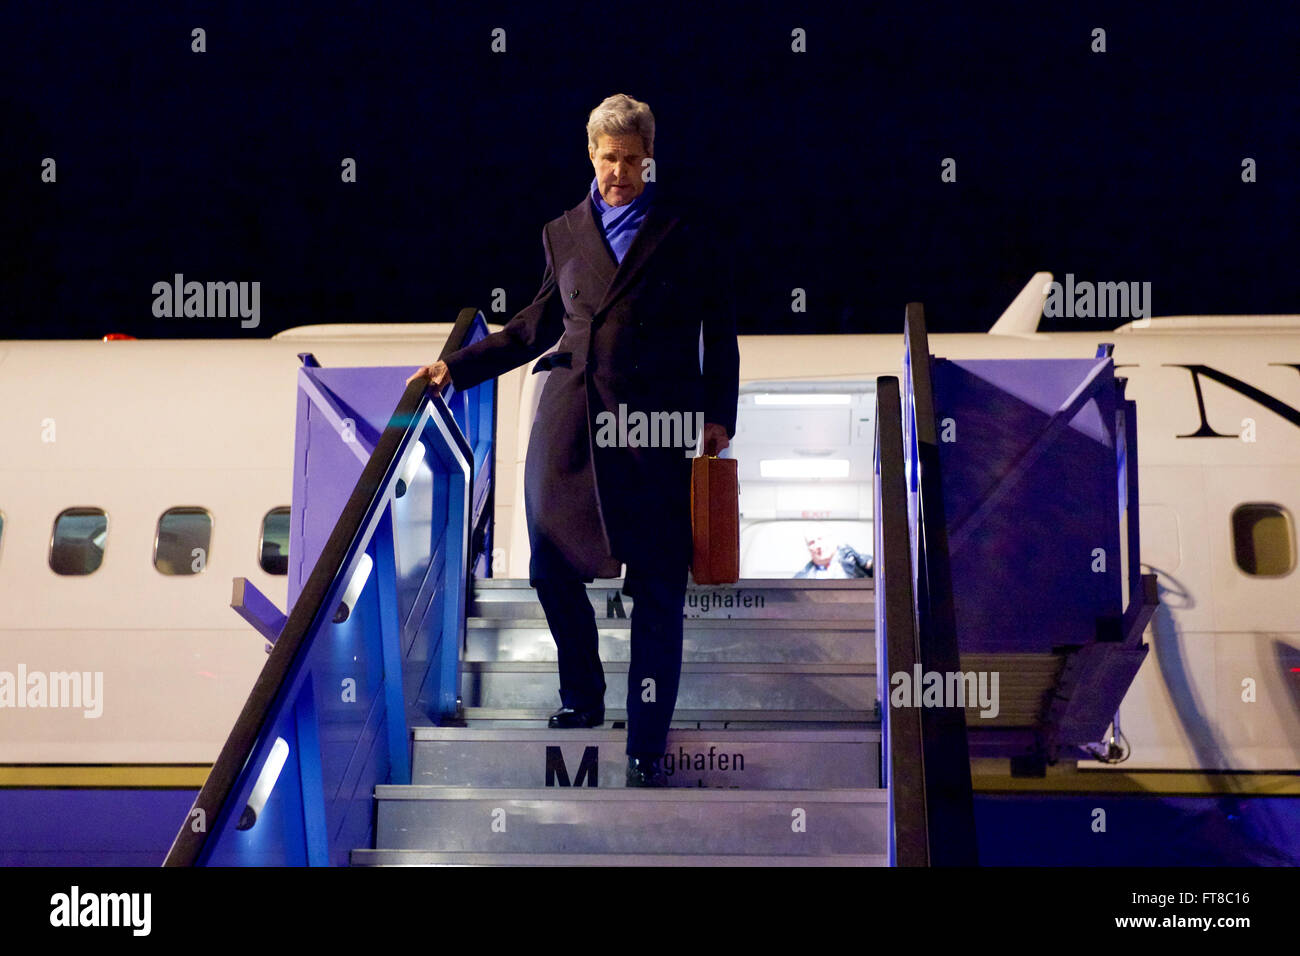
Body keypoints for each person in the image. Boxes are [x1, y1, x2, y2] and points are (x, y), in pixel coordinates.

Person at [406, 93, 739, 787]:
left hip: (656, 430)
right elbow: (534, 325)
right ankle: (581, 698)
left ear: (649, 159)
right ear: (590, 155)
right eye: (607, 157)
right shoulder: (563, 231)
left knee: (656, 589)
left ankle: (646, 738)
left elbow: (721, 333)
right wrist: (455, 367)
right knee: (551, 569)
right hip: (571, 421)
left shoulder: (688, 230)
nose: (618, 171)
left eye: (630, 158)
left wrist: (718, 415)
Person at [794, 533, 872, 579]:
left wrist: (866, 564)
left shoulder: (855, 562)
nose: (818, 545)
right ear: (809, 549)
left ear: (833, 541)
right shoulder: (802, 576)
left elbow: (881, 576)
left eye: (820, 539)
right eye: (812, 543)